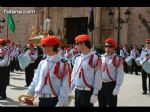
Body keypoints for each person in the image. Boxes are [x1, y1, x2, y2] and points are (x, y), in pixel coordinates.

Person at [26, 36, 71, 107]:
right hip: (40, 99)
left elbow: (65, 86)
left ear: (51, 47)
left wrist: (60, 103)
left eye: (44, 46)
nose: (42, 48)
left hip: (54, 100)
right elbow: (35, 80)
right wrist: (29, 94)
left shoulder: (64, 63)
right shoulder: (42, 62)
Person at [71, 34, 102, 107]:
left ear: (83, 44)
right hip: (77, 91)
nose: (75, 46)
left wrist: (95, 93)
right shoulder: (78, 58)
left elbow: (98, 77)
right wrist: (70, 87)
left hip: (88, 92)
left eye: (77, 44)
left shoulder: (95, 58)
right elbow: (74, 74)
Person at [98, 37, 124, 107]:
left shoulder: (117, 58)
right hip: (101, 85)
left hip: (111, 85)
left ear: (114, 47)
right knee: (101, 104)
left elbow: (120, 74)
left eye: (110, 46)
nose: (107, 48)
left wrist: (117, 87)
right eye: (106, 46)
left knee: (112, 104)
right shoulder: (101, 57)